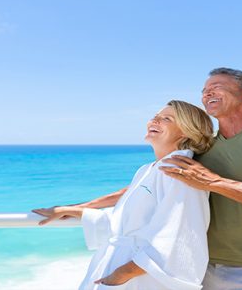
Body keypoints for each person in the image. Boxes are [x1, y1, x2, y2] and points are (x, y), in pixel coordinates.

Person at [36, 67, 242, 289]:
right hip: (206, 270)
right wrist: (80, 208)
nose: (207, 93)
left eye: (216, 87)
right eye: (204, 90)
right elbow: (147, 188)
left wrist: (214, 183)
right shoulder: (204, 150)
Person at [33, 100, 214, 290]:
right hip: (121, 267)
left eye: (166, 119)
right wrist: (78, 211)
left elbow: (180, 232)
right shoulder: (150, 169)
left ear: (186, 131)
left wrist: (123, 273)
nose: (155, 121)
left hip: (139, 276)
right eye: (155, 117)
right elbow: (131, 219)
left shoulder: (181, 171)